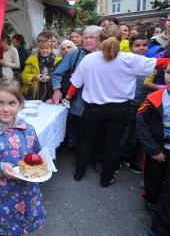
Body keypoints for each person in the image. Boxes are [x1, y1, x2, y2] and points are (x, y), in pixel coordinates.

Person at [67, 24, 170, 187]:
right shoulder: (129, 59)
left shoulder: (88, 59)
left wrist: (67, 96)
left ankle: (79, 173)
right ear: (121, 40)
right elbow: (160, 63)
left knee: (87, 141)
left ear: (99, 40)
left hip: (92, 109)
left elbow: (75, 83)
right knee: (113, 143)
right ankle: (106, 179)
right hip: (120, 109)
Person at [0, 78, 45, 236]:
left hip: (26, 194)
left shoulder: (27, 129)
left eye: (12, 103)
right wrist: (0, 167)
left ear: (20, 104)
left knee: (22, 229)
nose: (5, 109)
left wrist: (41, 166)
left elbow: (36, 157)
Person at [51, 25, 102, 149]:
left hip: (99, 102)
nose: (88, 40)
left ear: (100, 40)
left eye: (92, 37)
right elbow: (57, 73)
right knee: (79, 132)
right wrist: (57, 89)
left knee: (96, 133)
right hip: (78, 102)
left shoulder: (105, 54)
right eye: (85, 37)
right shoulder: (75, 53)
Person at [137, 64, 170, 236]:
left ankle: (160, 225)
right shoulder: (154, 98)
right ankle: (151, 202)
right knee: (153, 177)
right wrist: (153, 149)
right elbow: (142, 124)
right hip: (157, 148)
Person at [119, 33, 150, 174]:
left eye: (144, 45)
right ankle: (117, 159)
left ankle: (129, 158)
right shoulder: (126, 63)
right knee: (124, 133)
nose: (141, 48)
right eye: (137, 46)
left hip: (144, 105)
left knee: (136, 135)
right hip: (129, 104)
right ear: (131, 48)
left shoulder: (151, 63)